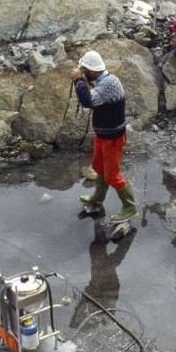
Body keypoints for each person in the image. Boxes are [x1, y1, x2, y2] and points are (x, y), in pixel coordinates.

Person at [71, 51, 137, 226]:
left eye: (84, 69)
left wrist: (78, 80)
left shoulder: (109, 84)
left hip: (113, 138)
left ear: (91, 71)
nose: (82, 72)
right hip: (104, 134)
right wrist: (82, 79)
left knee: (113, 176)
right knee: (98, 166)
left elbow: (88, 101)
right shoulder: (103, 80)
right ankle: (98, 197)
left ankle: (130, 207)